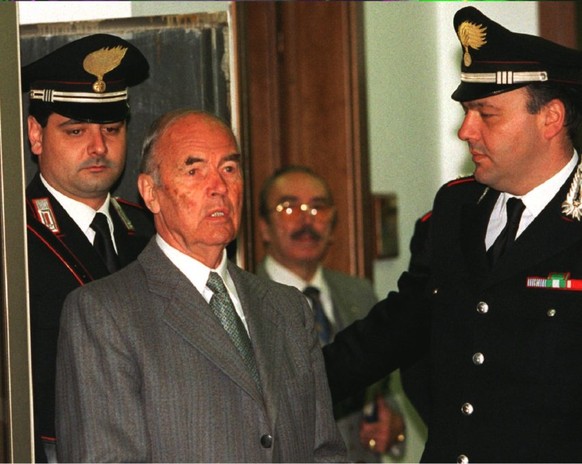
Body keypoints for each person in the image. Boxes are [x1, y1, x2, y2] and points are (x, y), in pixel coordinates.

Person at [323, 6, 582, 463]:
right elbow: (395, 330)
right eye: (467, 112)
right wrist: (280, 388)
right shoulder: (455, 211)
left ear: (551, 118)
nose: (466, 131)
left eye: (487, 113)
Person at [54, 109, 347, 462]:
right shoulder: (106, 313)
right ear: (151, 192)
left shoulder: (287, 308)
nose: (219, 188)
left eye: (229, 169)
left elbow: (325, 452)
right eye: (194, 171)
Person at [22, 34, 154, 462]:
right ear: (36, 135)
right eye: (76, 130)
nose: (98, 147)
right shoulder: (13, 238)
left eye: (111, 129)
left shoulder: (152, 230)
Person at [256, 165, 405, 460]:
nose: (306, 219)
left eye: (318, 207)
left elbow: (381, 387)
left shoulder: (359, 294)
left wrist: (394, 425)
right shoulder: (245, 302)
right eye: (288, 207)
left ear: (333, 223)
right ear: (264, 227)